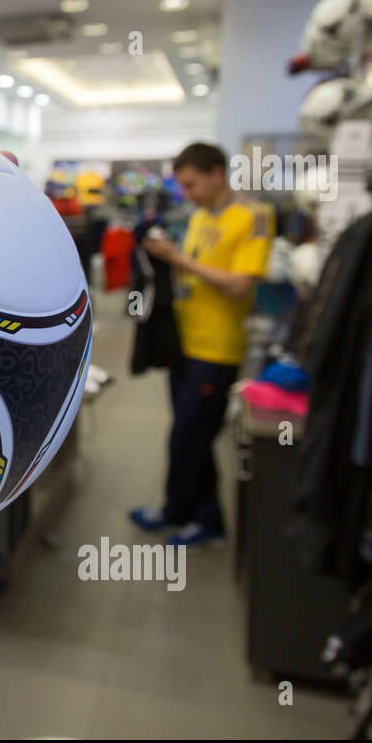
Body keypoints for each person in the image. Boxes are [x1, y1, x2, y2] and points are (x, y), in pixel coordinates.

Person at [128, 142, 274, 547]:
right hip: (184, 345)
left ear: (216, 173)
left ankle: (181, 511)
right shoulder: (197, 218)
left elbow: (240, 284)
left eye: (192, 185)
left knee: (188, 436)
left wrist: (177, 259)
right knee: (192, 436)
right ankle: (200, 515)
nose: (187, 195)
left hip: (217, 350)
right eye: (183, 188)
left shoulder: (253, 217)